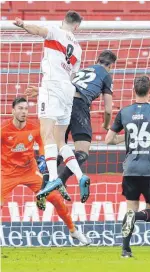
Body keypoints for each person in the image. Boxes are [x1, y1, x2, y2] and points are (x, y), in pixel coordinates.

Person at [13, 12, 90, 202]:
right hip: (68, 92)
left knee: (46, 135)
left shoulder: (55, 31)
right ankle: (81, 176)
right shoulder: (78, 49)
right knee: (60, 141)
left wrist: (23, 24)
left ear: (63, 21)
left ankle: (54, 178)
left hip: (52, 86)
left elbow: (38, 30)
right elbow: (71, 76)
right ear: (77, 27)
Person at [25, 50, 118, 203]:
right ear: (111, 65)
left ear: (97, 60)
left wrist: (42, 90)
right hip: (79, 104)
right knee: (82, 151)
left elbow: (64, 85)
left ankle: (43, 189)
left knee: (58, 147)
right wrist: (106, 125)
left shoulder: (82, 70)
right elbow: (108, 109)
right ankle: (60, 179)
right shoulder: (106, 76)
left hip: (62, 101)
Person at [1, 97, 90, 245]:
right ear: (13, 111)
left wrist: (42, 156)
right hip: (7, 173)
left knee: (55, 198)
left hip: (30, 171)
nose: (24, 112)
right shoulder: (3, 130)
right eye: (20, 109)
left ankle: (74, 231)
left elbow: (42, 142)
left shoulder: (33, 126)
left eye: (26, 109)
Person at [105, 76, 150, 257]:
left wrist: (125, 138)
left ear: (133, 91)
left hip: (130, 170)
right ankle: (135, 217)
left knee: (130, 208)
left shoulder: (124, 112)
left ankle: (125, 250)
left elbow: (109, 139)